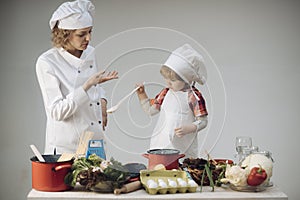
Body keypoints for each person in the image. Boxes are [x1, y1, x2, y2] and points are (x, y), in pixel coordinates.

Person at [36, 0, 118, 154]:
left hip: (94, 142)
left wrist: (103, 101)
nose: (88, 38)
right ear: (64, 34)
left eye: (90, 31)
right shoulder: (47, 62)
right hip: (66, 148)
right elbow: (56, 112)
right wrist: (86, 86)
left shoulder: (90, 52)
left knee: (102, 178)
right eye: (82, 34)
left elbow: (96, 89)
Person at [136, 44, 208, 158]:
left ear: (187, 79)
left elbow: (203, 121)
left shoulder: (193, 96)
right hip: (162, 144)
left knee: (181, 170)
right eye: (166, 79)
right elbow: (150, 111)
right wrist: (141, 94)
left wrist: (190, 128)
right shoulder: (165, 93)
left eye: (173, 80)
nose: (168, 83)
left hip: (183, 147)